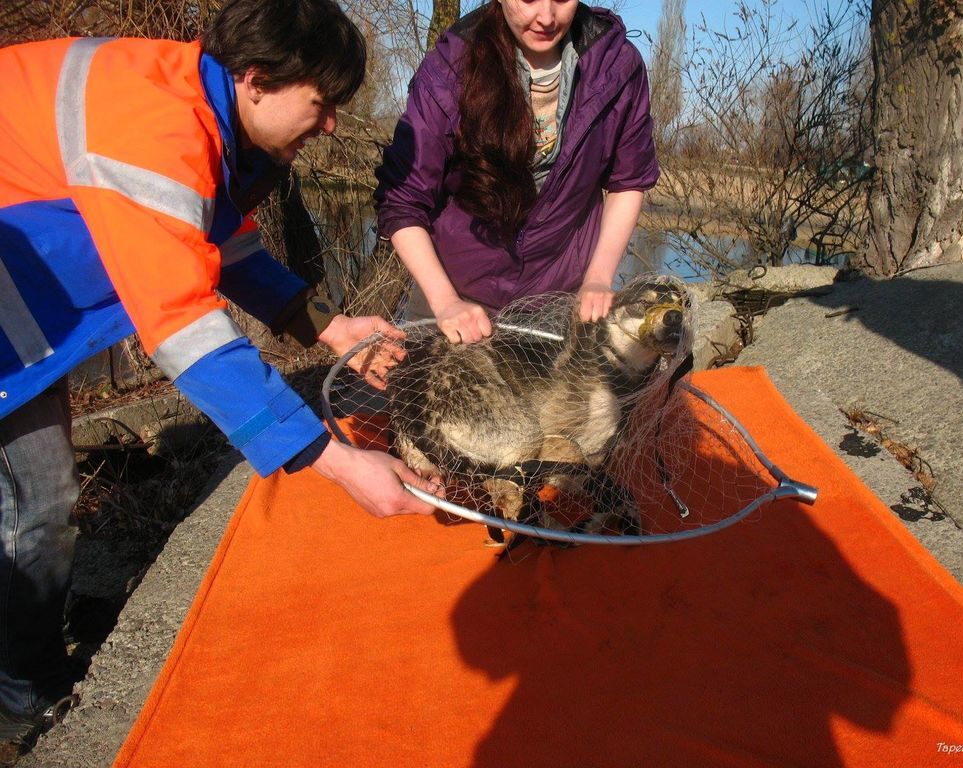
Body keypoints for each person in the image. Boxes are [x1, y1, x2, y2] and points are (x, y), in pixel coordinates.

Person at [0, 0, 440, 748]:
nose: (332, 122)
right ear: (259, 80)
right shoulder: (154, 124)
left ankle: (28, 638)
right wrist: (332, 461)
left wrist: (330, 328)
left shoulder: (206, 115)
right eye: (323, 102)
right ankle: (22, 693)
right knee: (36, 497)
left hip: (20, 309)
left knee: (40, 495)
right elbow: (182, 326)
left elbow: (227, 251)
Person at [373, 0, 659, 344]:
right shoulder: (449, 67)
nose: (547, 17)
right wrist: (446, 300)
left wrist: (598, 278)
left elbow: (628, 180)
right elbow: (402, 202)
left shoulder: (618, 65)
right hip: (452, 296)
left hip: (558, 303)